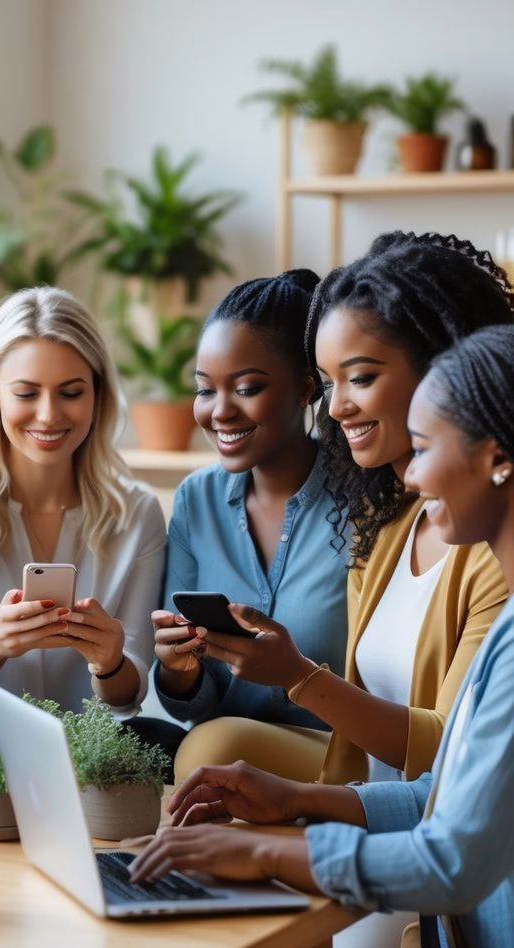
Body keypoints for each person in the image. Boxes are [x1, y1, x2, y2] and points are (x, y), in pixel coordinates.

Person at [130, 322, 514, 948]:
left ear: (498, 458)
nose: (411, 474)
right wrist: (295, 801)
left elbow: (454, 861)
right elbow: (451, 796)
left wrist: (262, 853)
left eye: (426, 449)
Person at [0, 286, 171, 782]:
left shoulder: (137, 513)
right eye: (27, 393)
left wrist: (110, 661)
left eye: (71, 392)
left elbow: (128, 694)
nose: (49, 415)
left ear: (98, 396)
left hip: (83, 759)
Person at [151, 270, 349, 785]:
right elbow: (195, 703)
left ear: (307, 389)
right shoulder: (198, 500)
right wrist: (179, 667)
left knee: (212, 747)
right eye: (204, 390)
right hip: (224, 756)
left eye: (247, 388)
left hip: (341, 756)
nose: (220, 412)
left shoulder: (363, 499)